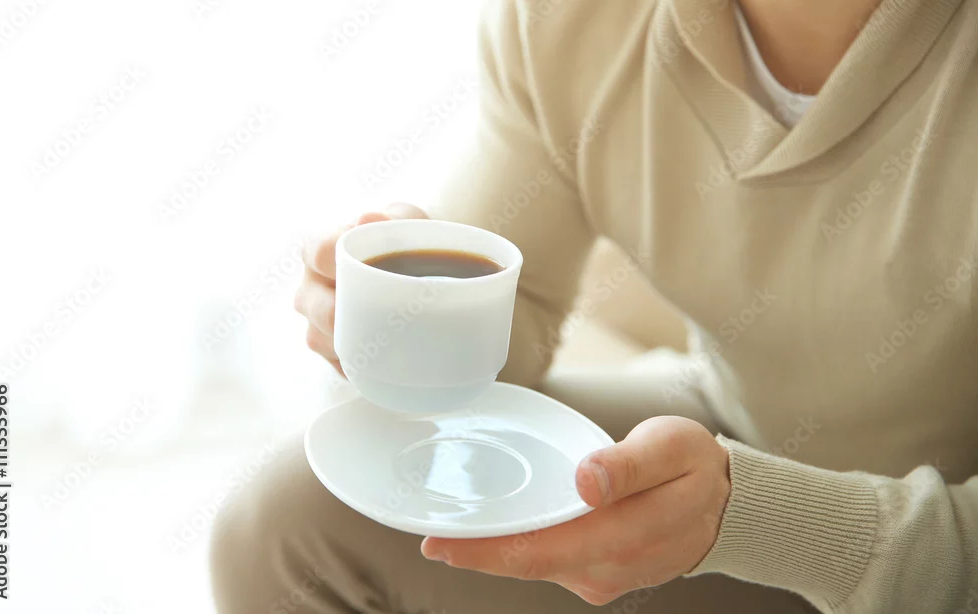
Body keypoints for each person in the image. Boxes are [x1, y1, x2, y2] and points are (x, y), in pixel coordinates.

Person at [210, 0, 978, 611]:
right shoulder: (575, 18)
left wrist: (758, 520)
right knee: (282, 529)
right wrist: (406, 323)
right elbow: (514, 312)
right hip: (736, 422)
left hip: (930, 542)